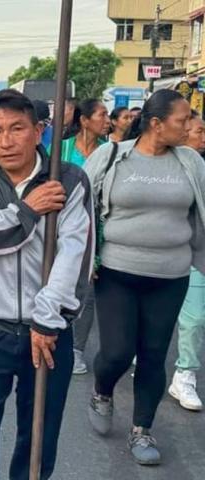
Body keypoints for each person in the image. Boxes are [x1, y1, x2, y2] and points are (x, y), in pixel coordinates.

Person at [0, 89, 93, 480]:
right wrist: (27, 211)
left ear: (38, 130)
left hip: (46, 332)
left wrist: (46, 318)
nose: (6, 141)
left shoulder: (69, 180)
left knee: (38, 439)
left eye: (17, 129)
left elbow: (73, 254)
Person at [85, 89, 205, 465]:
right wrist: (80, 259)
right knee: (118, 352)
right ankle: (102, 390)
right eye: (182, 120)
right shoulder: (113, 156)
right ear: (156, 124)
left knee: (154, 354)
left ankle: (142, 430)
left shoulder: (191, 162)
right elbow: (80, 204)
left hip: (171, 275)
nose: (189, 127)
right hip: (117, 272)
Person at [54, 99, 109, 375]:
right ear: (84, 120)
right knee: (60, 282)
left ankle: (76, 348)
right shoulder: (61, 149)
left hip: (97, 227)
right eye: (101, 114)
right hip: (61, 224)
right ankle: (54, 334)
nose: (107, 120)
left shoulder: (109, 153)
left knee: (86, 289)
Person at [166, 110, 205, 413]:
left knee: (193, 319)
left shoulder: (201, 164)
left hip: (196, 256)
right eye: (197, 131)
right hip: (160, 256)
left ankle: (184, 374)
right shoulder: (165, 165)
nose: (203, 137)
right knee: (155, 320)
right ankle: (146, 357)